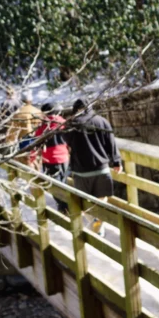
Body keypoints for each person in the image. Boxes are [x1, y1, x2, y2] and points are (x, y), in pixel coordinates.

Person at [63, 98, 123, 232]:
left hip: (81, 171)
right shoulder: (101, 121)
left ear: (75, 110)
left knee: (84, 203)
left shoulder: (72, 124)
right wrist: (117, 161)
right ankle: (98, 225)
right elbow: (111, 143)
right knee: (101, 199)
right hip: (101, 169)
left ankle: (94, 223)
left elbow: (65, 139)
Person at [34, 103, 70, 211]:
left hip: (50, 158)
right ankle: (66, 205)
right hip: (64, 157)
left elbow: (37, 140)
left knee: (54, 184)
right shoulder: (63, 122)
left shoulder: (43, 125)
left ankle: (64, 207)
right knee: (63, 181)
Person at [6, 91, 42, 167]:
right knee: (36, 161)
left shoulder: (18, 113)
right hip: (36, 139)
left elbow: (12, 129)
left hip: (23, 141)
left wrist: (9, 139)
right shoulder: (38, 111)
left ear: (21, 101)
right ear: (31, 100)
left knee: (25, 163)